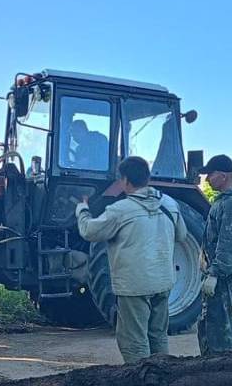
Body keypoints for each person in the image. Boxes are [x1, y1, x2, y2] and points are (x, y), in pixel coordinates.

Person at [76, 156, 187, 364]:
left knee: (134, 340)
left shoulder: (120, 210)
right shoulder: (169, 204)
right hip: (163, 281)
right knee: (158, 335)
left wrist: (82, 209)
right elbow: (181, 235)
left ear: (125, 180)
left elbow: (89, 231)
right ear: (147, 177)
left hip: (135, 286)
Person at [197, 154, 232, 354]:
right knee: (210, 324)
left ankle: (223, 368)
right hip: (218, 273)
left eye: (210, 175)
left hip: (222, 277)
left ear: (223, 175)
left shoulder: (229, 204)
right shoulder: (225, 202)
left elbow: (228, 244)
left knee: (220, 327)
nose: (207, 179)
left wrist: (215, 273)